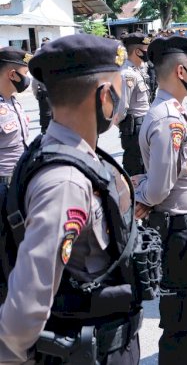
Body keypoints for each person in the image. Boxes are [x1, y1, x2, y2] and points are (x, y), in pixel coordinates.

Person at [1, 36, 142, 364]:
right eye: (121, 90)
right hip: (86, 350)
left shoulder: (70, 152)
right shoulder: (65, 181)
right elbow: (26, 304)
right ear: (106, 96)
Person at [134, 36, 187, 364]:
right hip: (180, 233)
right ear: (182, 71)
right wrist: (142, 195)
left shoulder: (176, 111)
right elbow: (159, 188)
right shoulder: (167, 118)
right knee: (185, 324)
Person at [118, 32, 152, 176]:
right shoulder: (128, 74)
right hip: (134, 126)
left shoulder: (138, 70)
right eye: (147, 48)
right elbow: (121, 108)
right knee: (135, 167)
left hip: (144, 122)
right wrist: (123, 125)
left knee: (145, 165)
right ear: (138, 51)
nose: (149, 52)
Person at [0, 48, 31, 186]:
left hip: (19, 175)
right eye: (25, 73)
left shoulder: (13, 101)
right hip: (4, 180)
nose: (27, 79)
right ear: (12, 75)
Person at [32, 37, 52, 133]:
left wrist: (36, 94)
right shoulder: (57, 60)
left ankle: (45, 131)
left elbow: (35, 82)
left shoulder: (38, 59)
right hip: (56, 93)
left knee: (46, 115)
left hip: (45, 93)